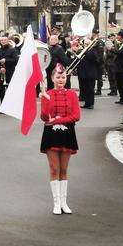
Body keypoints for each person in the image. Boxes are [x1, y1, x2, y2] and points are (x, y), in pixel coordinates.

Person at [40, 63, 80, 215]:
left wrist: (56, 120)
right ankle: (56, 203)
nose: (61, 80)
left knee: (64, 169)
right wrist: (45, 99)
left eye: (63, 77)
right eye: (58, 77)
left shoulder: (72, 94)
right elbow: (44, 118)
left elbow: (76, 116)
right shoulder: (47, 93)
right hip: (51, 134)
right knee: (54, 168)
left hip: (67, 133)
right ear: (52, 78)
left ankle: (64, 202)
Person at [0, 35, 18, 102]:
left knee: (10, 90)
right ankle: (2, 105)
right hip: (0, 73)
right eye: (2, 40)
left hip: (9, 72)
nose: (3, 41)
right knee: (1, 90)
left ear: (8, 41)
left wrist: (6, 60)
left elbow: (16, 60)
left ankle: (10, 105)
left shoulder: (13, 50)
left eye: (5, 40)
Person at [75, 38, 98, 109]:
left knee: (90, 89)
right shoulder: (82, 51)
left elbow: (93, 58)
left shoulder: (93, 51)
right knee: (85, 89)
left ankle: (91, 104)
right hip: (84, 74)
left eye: (88, 44)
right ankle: (87, 103)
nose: (86, 45)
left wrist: (85, 51)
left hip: (91, 74)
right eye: (85, 44)